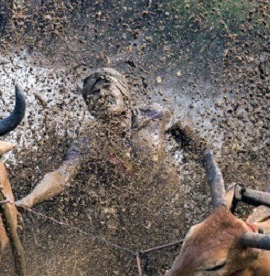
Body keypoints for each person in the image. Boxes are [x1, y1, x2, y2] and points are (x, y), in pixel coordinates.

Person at [15, 67, 207, 214]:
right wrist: (30, 200)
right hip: (134, 216)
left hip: (172, 206)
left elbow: (202, 152)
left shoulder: (156, 115)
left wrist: (218, 190)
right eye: (94, 93)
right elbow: (61, 176)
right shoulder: (88, 141)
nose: (102, 95)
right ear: (90, 108)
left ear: (125, 94)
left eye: (107, 87)